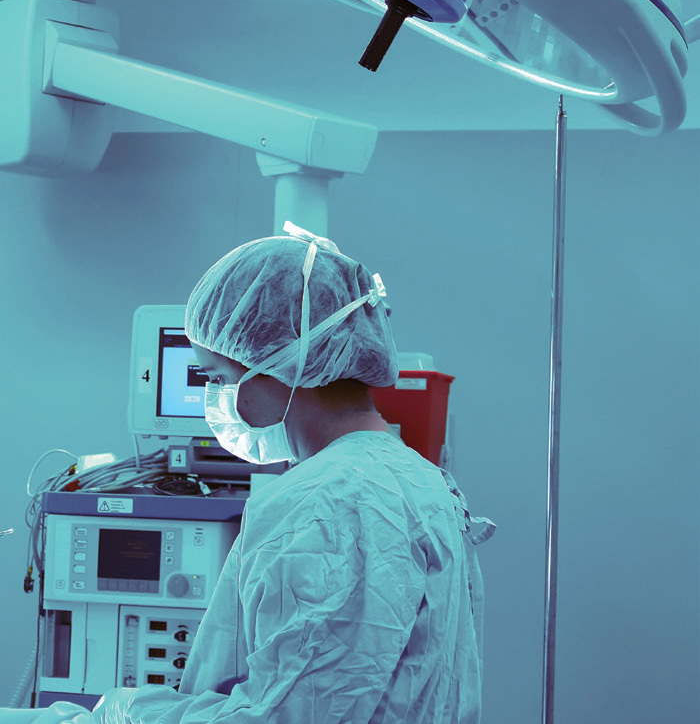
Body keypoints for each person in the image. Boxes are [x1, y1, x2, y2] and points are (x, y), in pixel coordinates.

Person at [47, 229, 495, 723]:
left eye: (218, 378)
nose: (215, 401)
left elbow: (288, 717)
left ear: (280, 364)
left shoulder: (328, 503)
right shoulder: (419, 480)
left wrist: (132, 713)